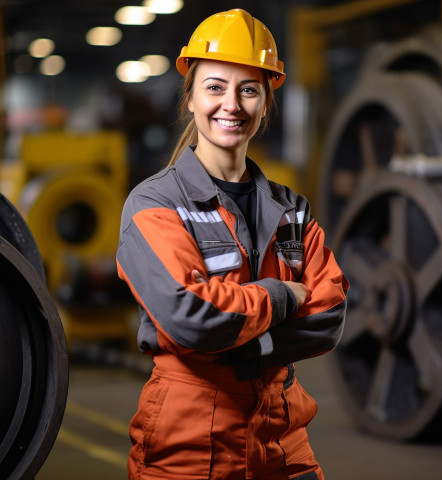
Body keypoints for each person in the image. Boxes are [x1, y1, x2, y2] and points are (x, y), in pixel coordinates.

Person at [117, 8, 349, 480]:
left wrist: (231, 338)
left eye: (249, 89)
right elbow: (191, 315)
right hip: (189, 441)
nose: (232, 104)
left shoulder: (291, 209)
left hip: (283, 438)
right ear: (191, 97)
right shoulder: (155, 203)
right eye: (215, 87)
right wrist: (283, 295)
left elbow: (328, 315)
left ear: (266, 101)